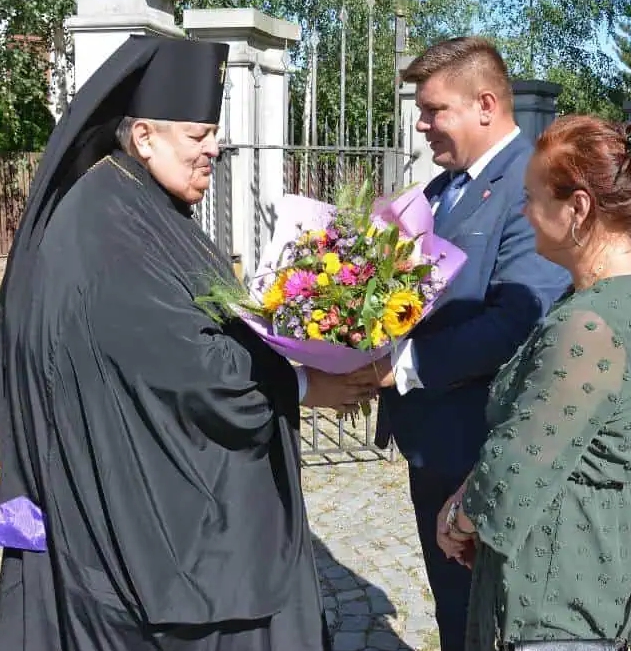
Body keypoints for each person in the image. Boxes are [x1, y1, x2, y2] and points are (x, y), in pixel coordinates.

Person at [0, 37, 372, 650]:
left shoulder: (132, 201)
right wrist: (308, 383)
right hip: (148, 542)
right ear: (144, 137)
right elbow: (189, 369)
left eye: (214, 134)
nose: (214, 149)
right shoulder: (106, 228)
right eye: (198, 135)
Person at [346, 37, 568, 651]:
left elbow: (516, 320)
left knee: (489, 615)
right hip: (435, 438)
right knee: (455, 608)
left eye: (433, 109)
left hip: (481, 442)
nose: (420, 124)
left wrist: (405, 365)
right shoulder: (445, 189)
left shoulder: (531, 185)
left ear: (486, 105)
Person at [435, 116, 631, 651]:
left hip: (558, 597)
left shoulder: (588, 325)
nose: (524, 213)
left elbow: (516, 467)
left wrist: (457, 517)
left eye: (532, 198)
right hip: (602, 560)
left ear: (579, 209)